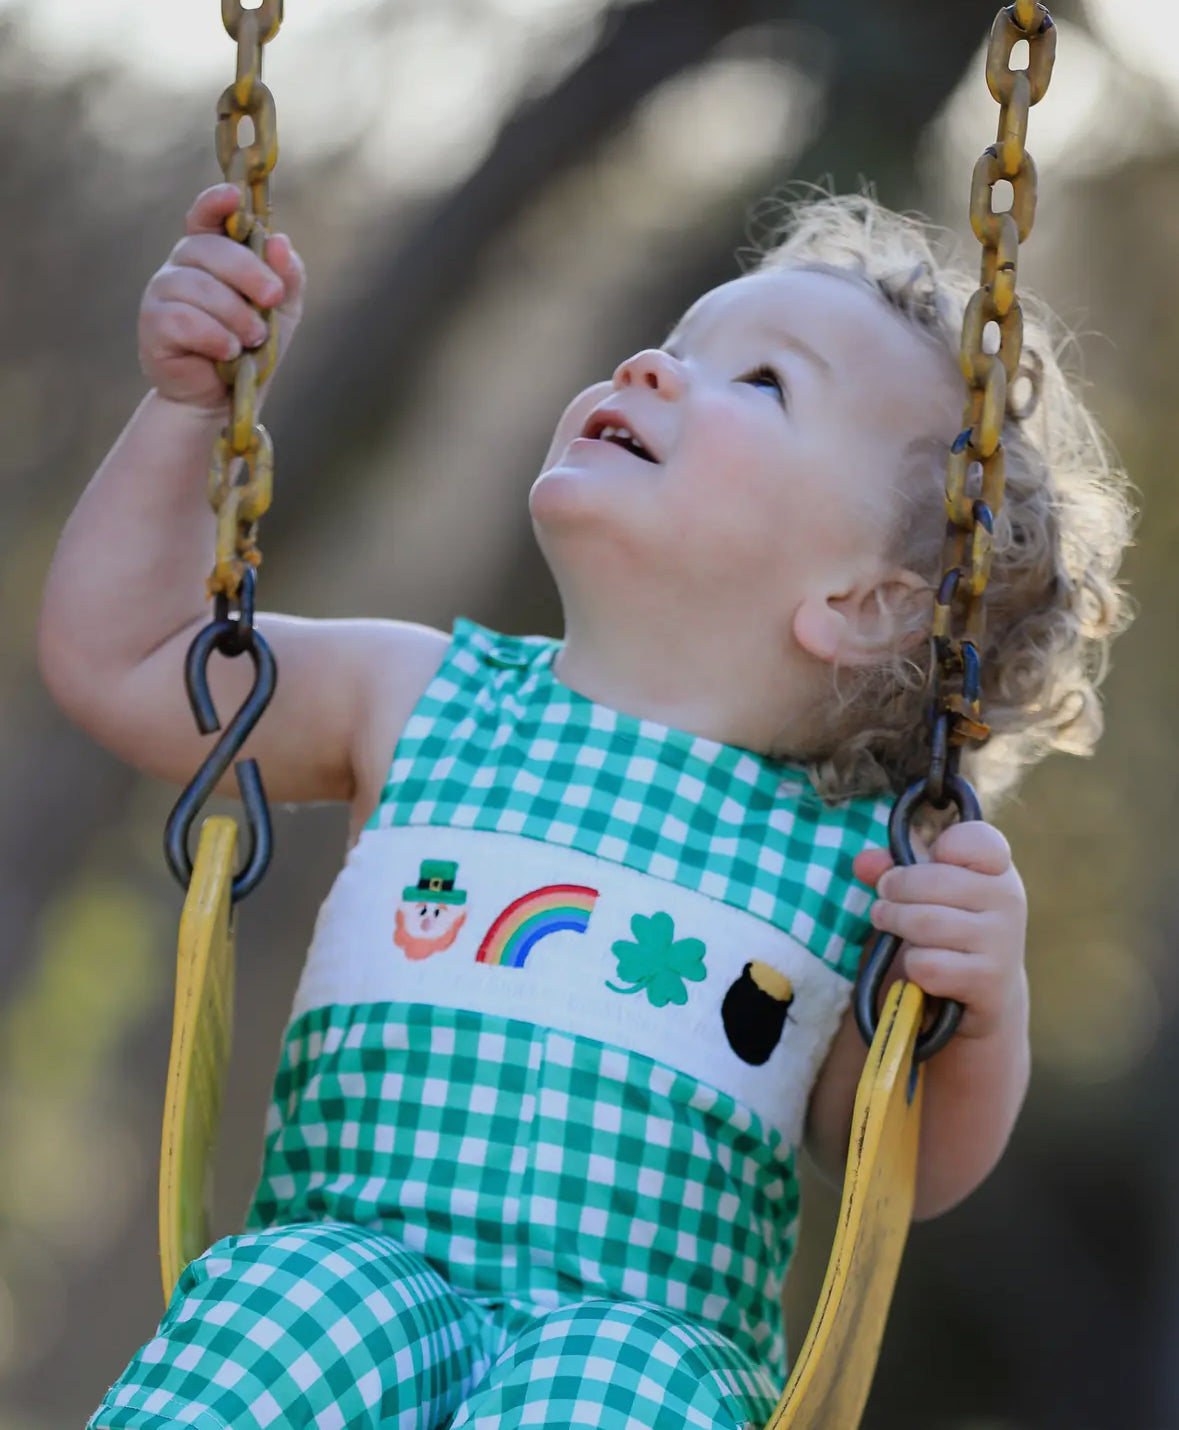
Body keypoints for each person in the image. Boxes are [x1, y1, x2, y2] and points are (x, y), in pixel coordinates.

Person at [38, 181, 1131, 1430]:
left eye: (762, 381)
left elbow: (897, 1165)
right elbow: (131, 657)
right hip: (348, 1285)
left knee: (621, 1375)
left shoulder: (862, 860)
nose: (649, 369)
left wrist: (981, 1011)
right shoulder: (416, 696)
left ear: (866, 601)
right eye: (674, 345)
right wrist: (190, 411)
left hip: (637, 1345)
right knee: (298, 1295)